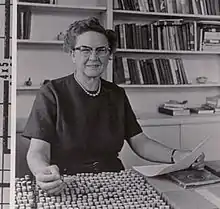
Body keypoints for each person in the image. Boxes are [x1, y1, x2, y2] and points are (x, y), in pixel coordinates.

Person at [22, 17, 205, 195]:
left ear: (109, 55)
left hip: (113, 180)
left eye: (101, 50)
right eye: (85, 50)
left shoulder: (117, 93)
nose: (94, 57)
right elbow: (38, 151)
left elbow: (140, 143)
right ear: (72, 54)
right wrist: (43, 172)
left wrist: (177, 156)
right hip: (65, 181)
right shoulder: (51, 92)